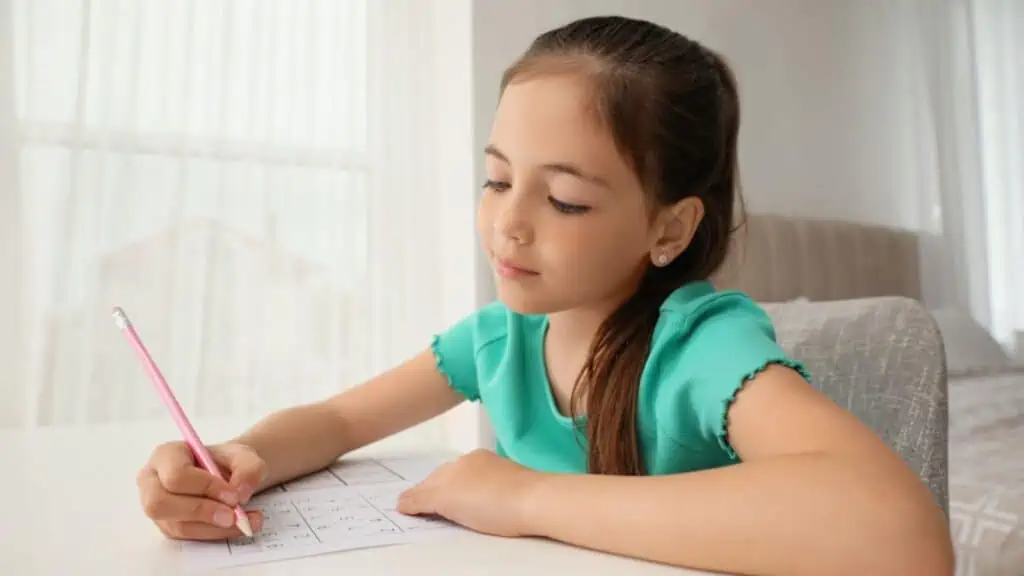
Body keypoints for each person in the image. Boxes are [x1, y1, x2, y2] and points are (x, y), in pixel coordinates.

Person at [136, 15, 954, 576]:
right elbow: (343, 420)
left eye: (563, 200)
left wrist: (527, 495)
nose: (508, 225)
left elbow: (903, 534)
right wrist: (242, 460)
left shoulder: (698, 347)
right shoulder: (499, 341)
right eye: (495, 179)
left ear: (667, 230)